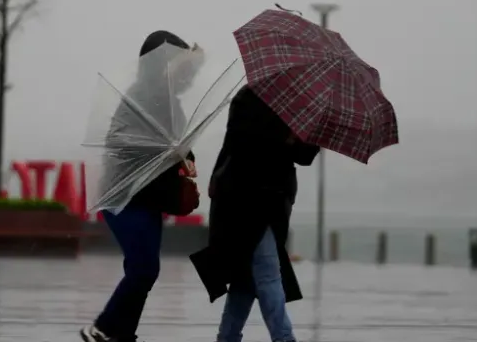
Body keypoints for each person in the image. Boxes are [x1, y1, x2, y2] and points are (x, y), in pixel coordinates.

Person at [80, 30, 201, 342]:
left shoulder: (171, 102)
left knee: (145, 270)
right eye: (177, 63)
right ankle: (103, 329)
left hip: (148, 197)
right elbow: (118, 141)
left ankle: (122, 334)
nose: (184, 72)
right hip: (125, 196)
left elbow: (180, 146)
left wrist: (186, 157)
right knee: (143, 270)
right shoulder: (140, 98)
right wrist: (163, 149)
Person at [190, 85, 320, 342]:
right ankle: (284, 338)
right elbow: (243, 141)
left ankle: (227, 337)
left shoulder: (302, 105)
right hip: (243, 199)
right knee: (267, 271)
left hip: (275, 202)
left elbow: (304, 157)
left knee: (245, 278)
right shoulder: (249, 96)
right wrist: (286, 135)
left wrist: (306, 136)